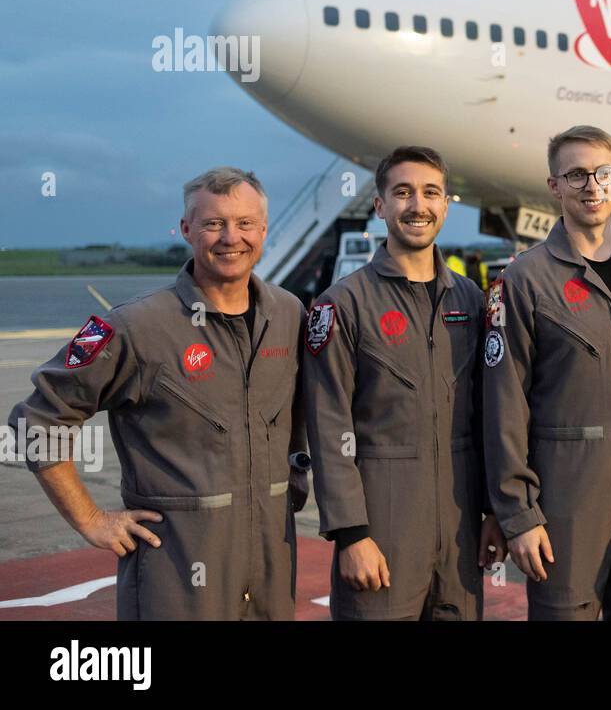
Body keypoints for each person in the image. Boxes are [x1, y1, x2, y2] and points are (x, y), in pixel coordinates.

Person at [7, 168, 307, 619]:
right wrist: (90, 519)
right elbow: (38, 418)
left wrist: (294, 481)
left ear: (263, 229)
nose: (231, 237)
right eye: (213, 223)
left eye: (245, 223)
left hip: (271, 574)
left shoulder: (289, 315)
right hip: (176, 581)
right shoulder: (134, 326)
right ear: (186, 230)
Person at [483, 125, 611, 620]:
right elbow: (503, 405)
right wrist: (518, 514)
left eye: (603, 173)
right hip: (564, 506)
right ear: (554, 187)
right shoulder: (524, 279)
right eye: (575, 175)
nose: (592, 185)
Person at [301, 146, 505, 620]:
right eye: (403, 193)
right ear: (380, 206)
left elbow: (491, 416)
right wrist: (351, 534)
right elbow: (329, 426)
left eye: (430, 192)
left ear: (446, 205)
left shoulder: (472, 300)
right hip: (382, 526)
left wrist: (496, 511)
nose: (418, 205)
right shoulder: (343, 305)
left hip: (460, 530)